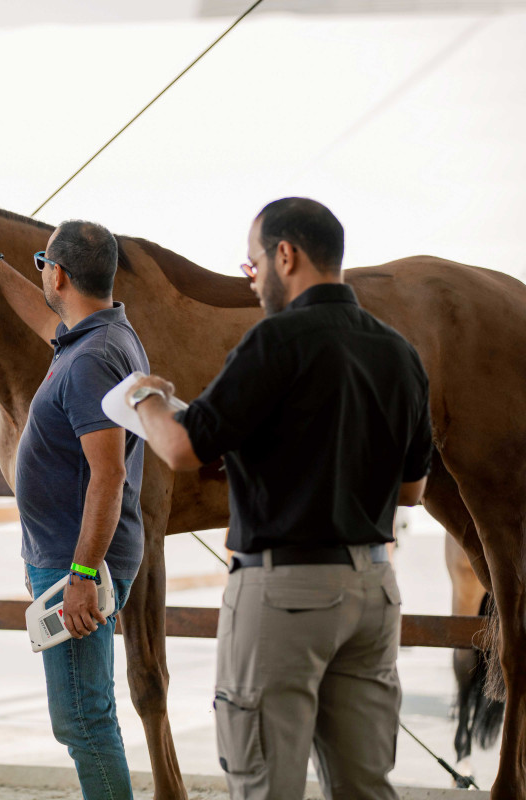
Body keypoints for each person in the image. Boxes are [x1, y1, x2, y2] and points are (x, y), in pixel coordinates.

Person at [128, 198, 432, 800]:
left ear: (285, 255)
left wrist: (146, 398)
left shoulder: (274, 342)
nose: (253, 278)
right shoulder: (399, 352)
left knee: (265, 782)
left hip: (284, 595)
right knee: (365, 785)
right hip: (373, 592)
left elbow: (186, 449)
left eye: (252, 264)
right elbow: (412, 491)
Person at [0, 207, 147, 799]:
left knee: (84, 720)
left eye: (42, 266)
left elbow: (107, 476)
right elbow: (45, 322)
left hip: (77, 567)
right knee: (83, 717)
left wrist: (83, 574)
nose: (42, 279)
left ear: (57, 274)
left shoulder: (89, 361)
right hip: (69, 559)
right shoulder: (101, 335)